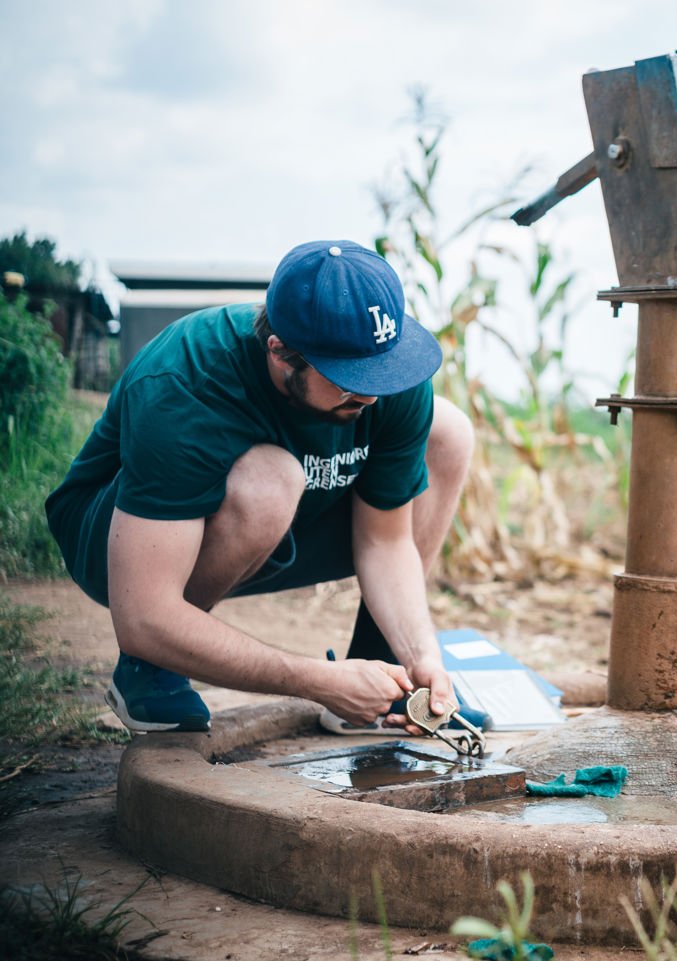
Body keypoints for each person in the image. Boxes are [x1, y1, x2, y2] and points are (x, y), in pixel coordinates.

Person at [46, 240, 475, 736]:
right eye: (348, 379)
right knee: (272, 480)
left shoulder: (385, 376)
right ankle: (151, 668)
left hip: (287, 517)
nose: (372, 393)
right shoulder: (187, 378)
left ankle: (384, 677)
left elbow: (386, 539)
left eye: (379, 371)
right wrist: (319, 680)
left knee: (448, 431)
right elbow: (143, 614)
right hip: (121, 544)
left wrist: (421, 654)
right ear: (280, 353)